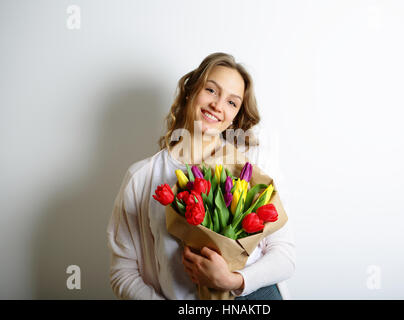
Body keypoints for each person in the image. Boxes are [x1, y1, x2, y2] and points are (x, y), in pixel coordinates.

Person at [107, 52, 295, 300]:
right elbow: (124, 272)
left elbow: (285, 255)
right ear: (190, 91)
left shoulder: (254, 166)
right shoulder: (141, 177)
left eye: (232, 102)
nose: (218, 105)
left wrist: (232, 281)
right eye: (211, 90)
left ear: (235, 116)